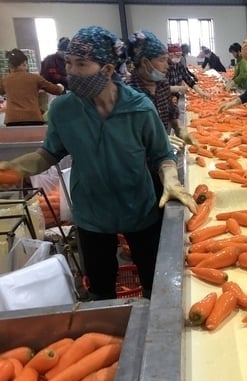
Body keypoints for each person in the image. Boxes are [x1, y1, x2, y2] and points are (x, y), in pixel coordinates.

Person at [0, 26, 196, 299]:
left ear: (106, 70)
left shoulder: (139, 108)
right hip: (92, 212)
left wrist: (171, 181)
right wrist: (15, 168)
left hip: (138, 206)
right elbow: (49, 153)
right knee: (101, 286)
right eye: (69, 63)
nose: (71, 72)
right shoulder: (64, 109)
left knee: (154, 281)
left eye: (81, 64)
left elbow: (161, 154)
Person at [125, 31, 193, 144]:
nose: (167, 65)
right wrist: (157, 141)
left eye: (167, 60)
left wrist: (179, 128)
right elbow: (128, 134)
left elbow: (172, 113)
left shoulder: (163, 84)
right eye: (162, 60)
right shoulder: (129, 92)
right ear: (145, 62)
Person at [0, 49, 64, 126]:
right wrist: (60, 86)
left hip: (12, 120)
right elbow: (56, 90)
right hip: (33, 118)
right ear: (24, 63)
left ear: (10, 66)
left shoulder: (5, 80)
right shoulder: (35, 78)